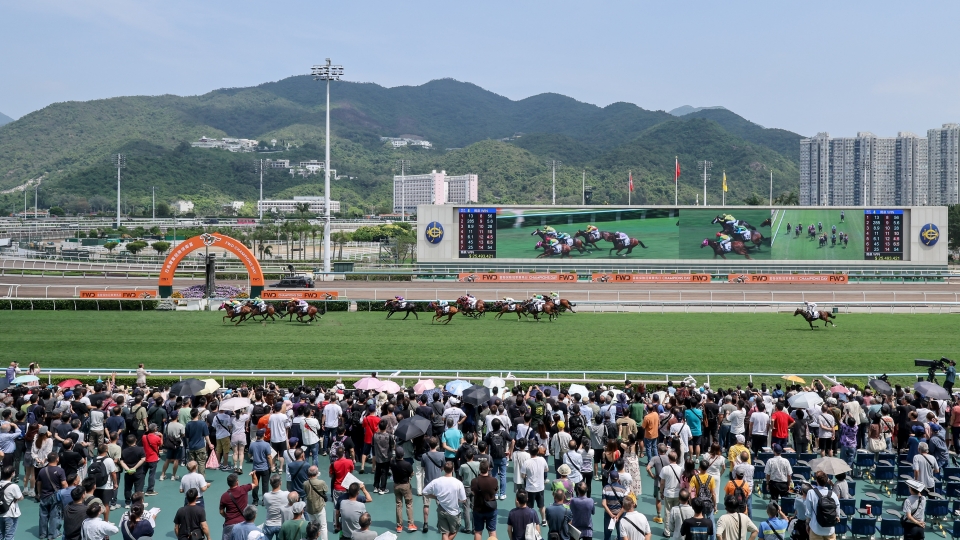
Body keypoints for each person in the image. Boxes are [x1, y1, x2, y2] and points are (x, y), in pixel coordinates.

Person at [423, 460, 467, 540]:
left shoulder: (436, 481)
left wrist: (435, 497)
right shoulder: (458, 483)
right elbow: (463, 499)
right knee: (454, 531)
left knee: (444, 533)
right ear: (453, 469)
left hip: (441, 510)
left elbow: (424, 492)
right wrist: (457, 499)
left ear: (443, 469)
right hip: (454, 511)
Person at [219, 471, 259, 540]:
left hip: (229, 524)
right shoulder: (244, 489)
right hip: (242, 523)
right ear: (237, 482)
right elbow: (255, 483)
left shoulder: (224, 496)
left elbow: (221, 511)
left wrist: (227, 516)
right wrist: (253, 475)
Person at [804, 471, 839, 540]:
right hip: (830, 530)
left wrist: (807, 524)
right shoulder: (833, 494)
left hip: (816, 529)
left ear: (817, 480)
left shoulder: (811, 493)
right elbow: (837, 510)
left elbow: (808, 513)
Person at [470, 459, 498, 540]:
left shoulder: (474, 481)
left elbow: (473, 492)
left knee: (478, 532)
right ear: (488, 468)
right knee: (492, 531)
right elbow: (495, 491)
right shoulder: (494, 480)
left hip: (478, 509)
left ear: (479, 469)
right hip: (491, 509)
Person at [522, 445, 549, 526]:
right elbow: (546, 469)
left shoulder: (526, 462)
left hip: (530, 488)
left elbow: (523, 475)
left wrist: (527, 476)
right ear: (537, 451)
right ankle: (544, 520)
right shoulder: (542, 459)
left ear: (529, 452)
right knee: (541, 505)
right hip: (540, 487)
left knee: (529, 507)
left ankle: (529, 521)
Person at [660, 451, 683, 537]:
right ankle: (677, 530)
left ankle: (667, 532)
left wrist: (661, 492)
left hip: (668, 494)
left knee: (667, 513)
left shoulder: (665, 469)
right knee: (677, 513)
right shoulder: (681, 469)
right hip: (678, 495)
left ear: (669, 459)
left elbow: (662, 483)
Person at [120, 433, 146, 508]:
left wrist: (128, 469)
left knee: (128, 488)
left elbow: (121, 461)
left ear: (127, 442)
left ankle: (127, 503)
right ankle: (137, 503)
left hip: (128, 473)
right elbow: (143, 459)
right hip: (138, 472)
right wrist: (134, 468)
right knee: (138, 489)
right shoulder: (140, 449)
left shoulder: (124, 451)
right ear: (136, 440)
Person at [601, 469, 627, 540]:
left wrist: (611, 515)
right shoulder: (623, 490)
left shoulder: (605, 488)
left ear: (610, 478)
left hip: (608, 515)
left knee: (607, 536)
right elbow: (625, 506)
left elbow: (604, 504)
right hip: (620, 515)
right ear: (618, 478)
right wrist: (617, 516)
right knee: (621, 535)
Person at [0, 465, 22, 540]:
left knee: (0, 535)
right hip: (10, 514)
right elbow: (20, 497)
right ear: (12, 474)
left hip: (0, 513)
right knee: (9, 535)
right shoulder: (14, 486)